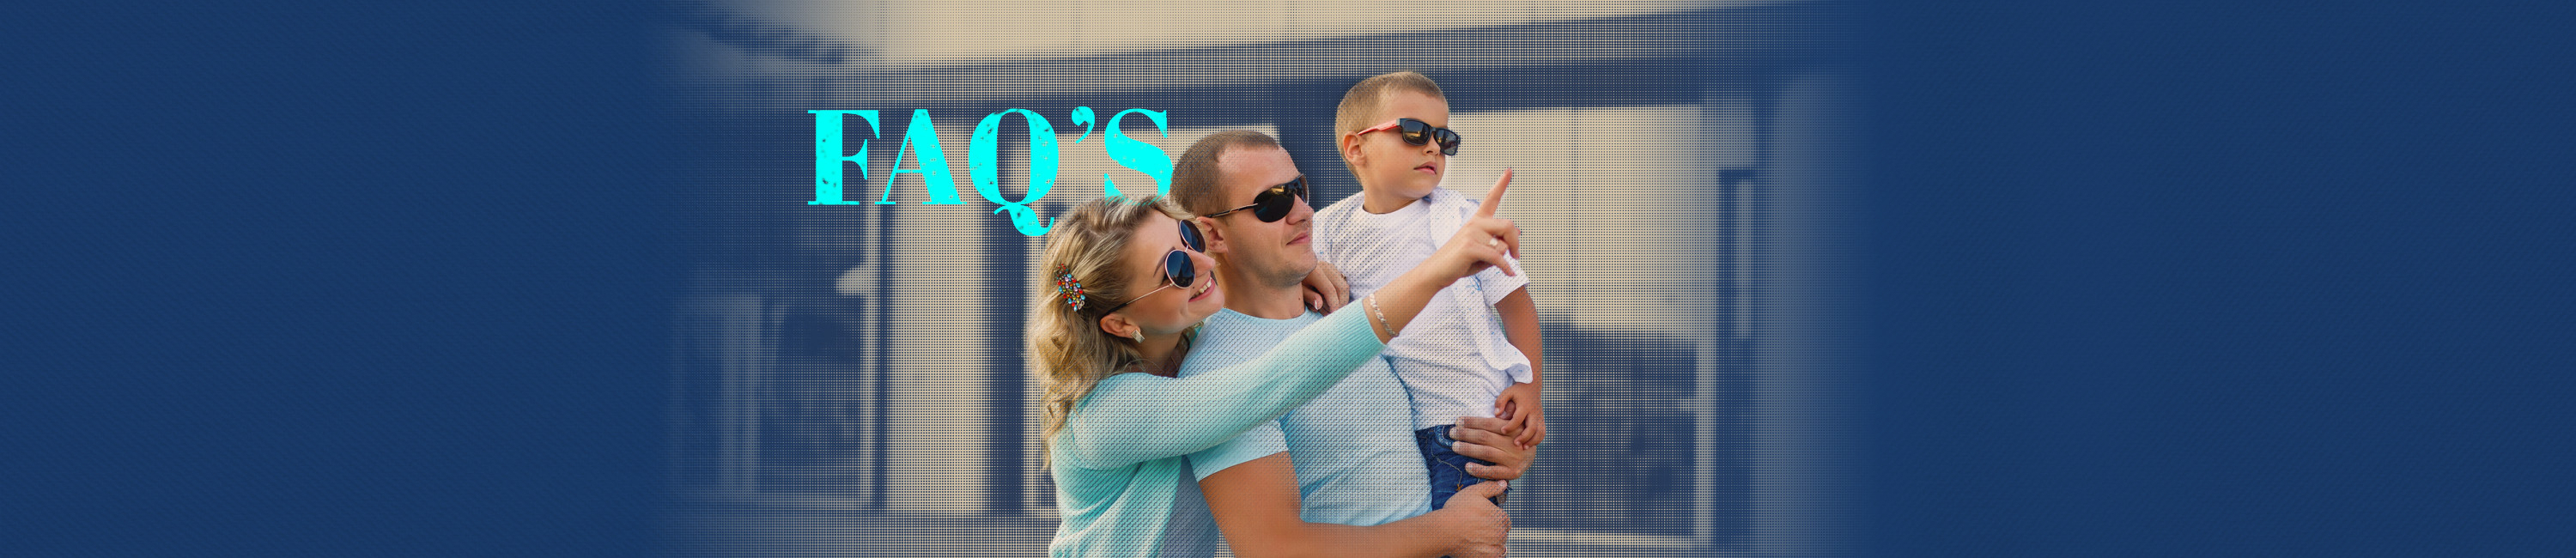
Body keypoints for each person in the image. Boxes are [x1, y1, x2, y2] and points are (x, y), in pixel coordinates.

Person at [1032, 190, 1525, 558]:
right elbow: (1274, 381)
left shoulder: (1194, 343)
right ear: (1120, 322)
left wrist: (1289, 272)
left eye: (1189, 237)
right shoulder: (1109, 413)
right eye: (1177, 269)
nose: (1204, 261)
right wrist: (1438, 270)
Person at [1162, 130, 1534, 558]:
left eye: (1300, 190)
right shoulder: (1217, 372)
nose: (1303, 212)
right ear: (1212, 236)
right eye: (1273, 202)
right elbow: (1271, 546)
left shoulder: (1343, 301)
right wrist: (1444, 532)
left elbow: (1434, 406)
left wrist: (1499, 448)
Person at [1311, 70, 1549, 510]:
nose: (1434, 147)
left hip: (1463, 422)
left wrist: (1529, 388)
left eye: (1444, 137)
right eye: (1414, 132)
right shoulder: (1328, 227)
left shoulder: (1460, 219)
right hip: (1386, 427)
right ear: (1355, 147)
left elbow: (1518, 307)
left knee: (1459, 535)